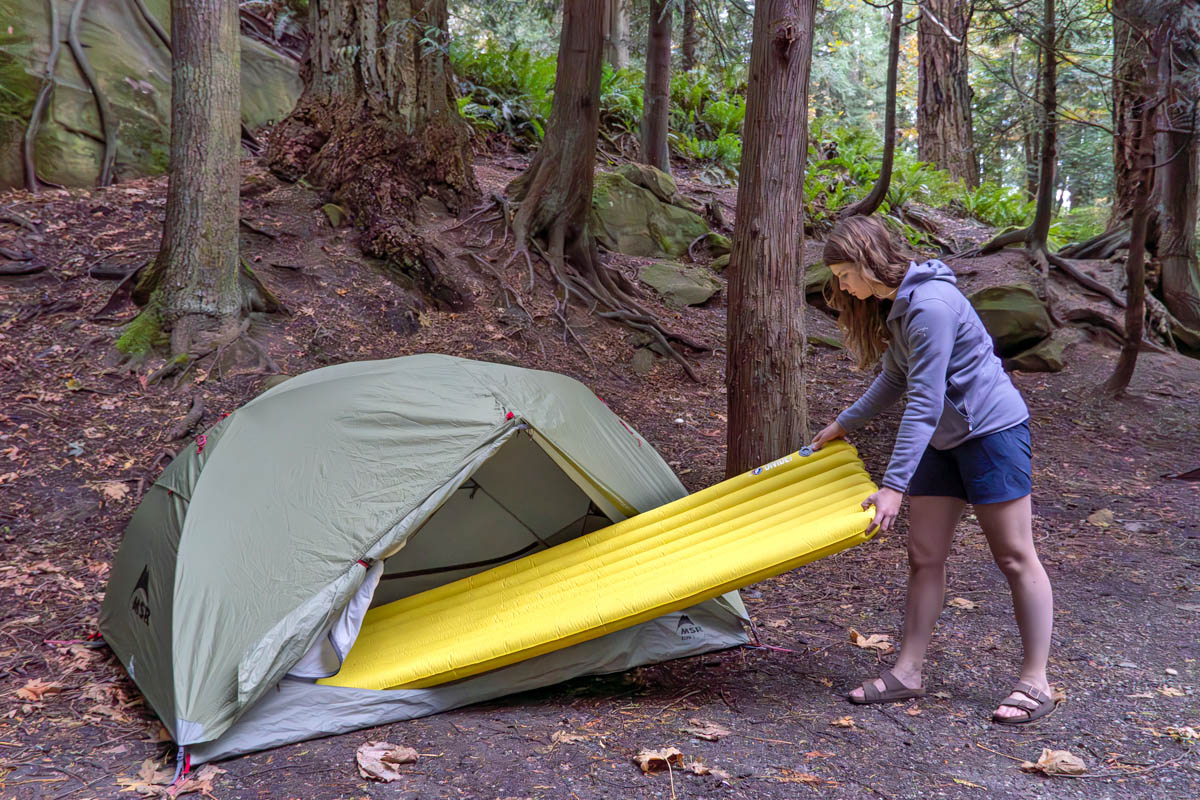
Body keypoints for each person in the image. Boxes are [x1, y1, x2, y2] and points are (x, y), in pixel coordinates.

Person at [810, 215, 1057, 724]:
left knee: (1013, 556)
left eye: (844, 273)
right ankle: (908, 672)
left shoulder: (931, 307)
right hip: (942, 440)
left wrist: (893, 486)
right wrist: (843, 422)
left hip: (992, 434)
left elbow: (924, 401)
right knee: (925, 556)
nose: (842, 286)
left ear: (866, 259)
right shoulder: (896, 307)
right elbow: (894, 378)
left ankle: (1036, 682)